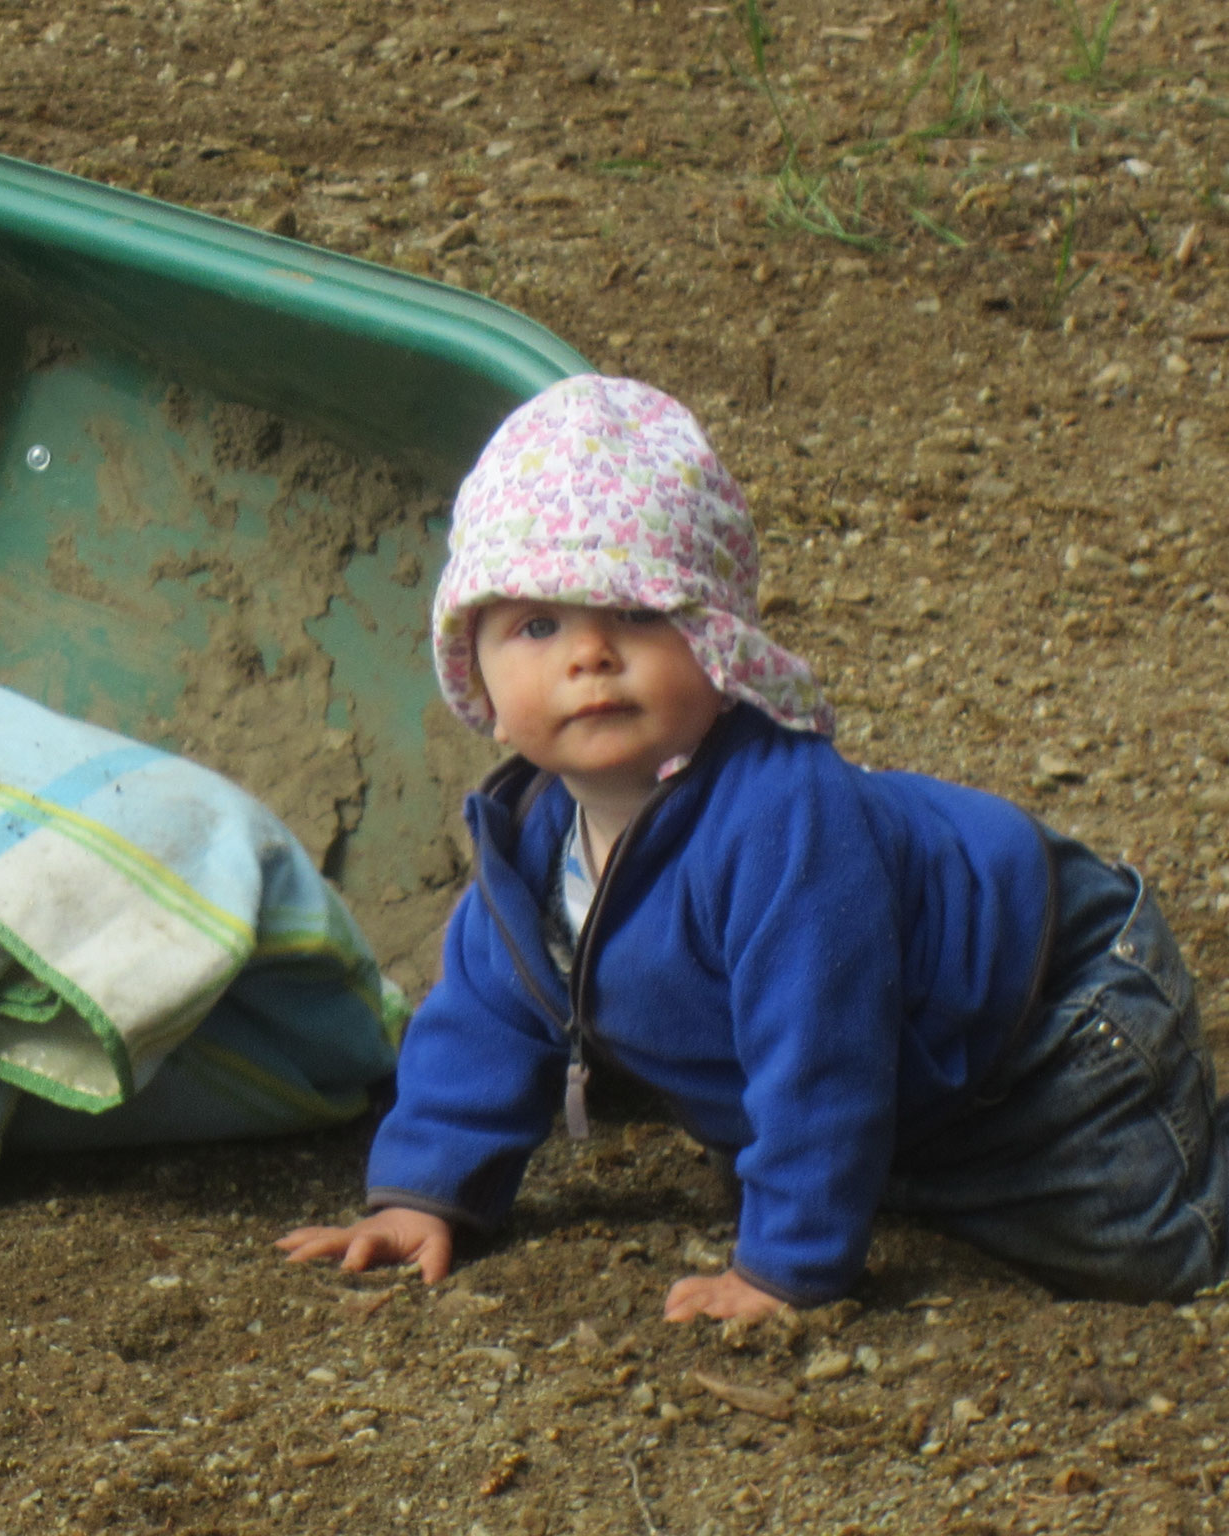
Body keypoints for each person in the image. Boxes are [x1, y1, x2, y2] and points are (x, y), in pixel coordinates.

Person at [277, 374, 1229, 1322]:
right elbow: (486, 1019)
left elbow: (822, 1046)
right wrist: (422, 1193)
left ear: (720, 644)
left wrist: (786, 1266)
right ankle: (883, 1170)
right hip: (914, 1071)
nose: (590, 655)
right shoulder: (531, 843)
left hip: (1054, 1013)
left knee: (1147, 1250)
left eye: (642, 615)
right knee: (885, 1178)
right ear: (473, 673)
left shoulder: (782, 819)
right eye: (537, 625)